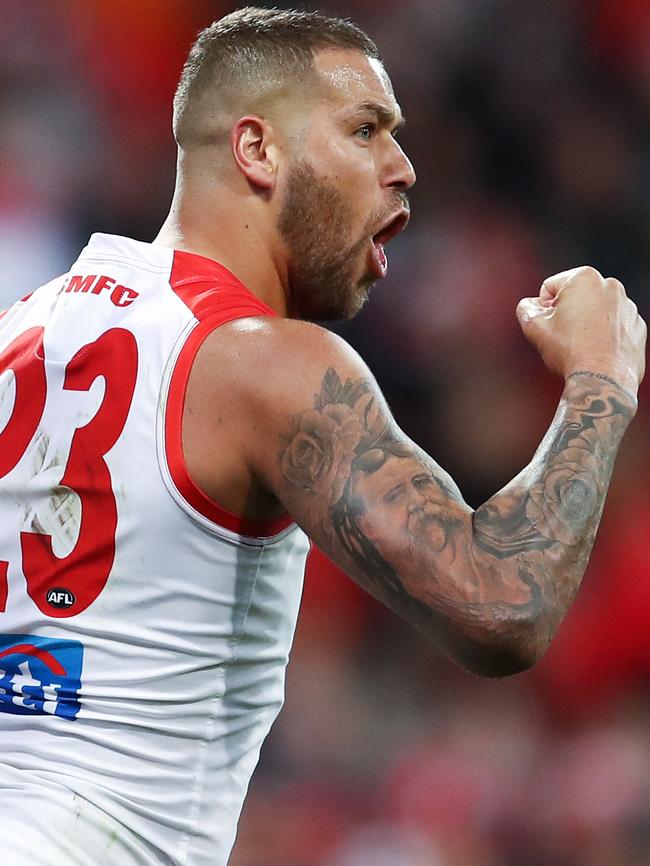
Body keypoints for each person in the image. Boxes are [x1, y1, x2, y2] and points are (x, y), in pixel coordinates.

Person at [0, 6, 645, 866]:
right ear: (258, 149)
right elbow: (503, 606)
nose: (405, 168)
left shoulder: (22, 332)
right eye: (365, 128)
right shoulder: (266, 363)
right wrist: (601, 381)